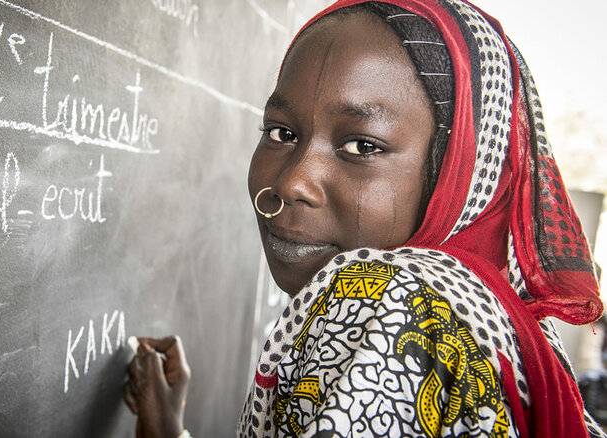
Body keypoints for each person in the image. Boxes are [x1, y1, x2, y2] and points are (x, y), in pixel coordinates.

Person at [124, 0, 605, 436]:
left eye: (362, 145)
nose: (292, 183)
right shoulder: (489, 316)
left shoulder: (386, 299)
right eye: (281, 132)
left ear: (454, 172)